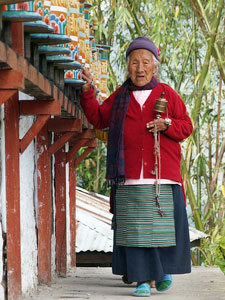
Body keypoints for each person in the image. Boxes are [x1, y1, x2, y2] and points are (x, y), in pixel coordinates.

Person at [81, 36, 193, 297]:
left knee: (161, 230)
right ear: (127, 67)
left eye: (145, 63)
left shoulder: (167, 94)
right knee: (136, 233)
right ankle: (142, 281)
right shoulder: (121, 96)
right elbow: (98, 118)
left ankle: (162, 270)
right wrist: (88, 91)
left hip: (162, 178)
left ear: (155, 66)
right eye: (134, 63)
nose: (139, 69)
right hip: (129, 177)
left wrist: (167, 124)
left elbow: (186, 127)